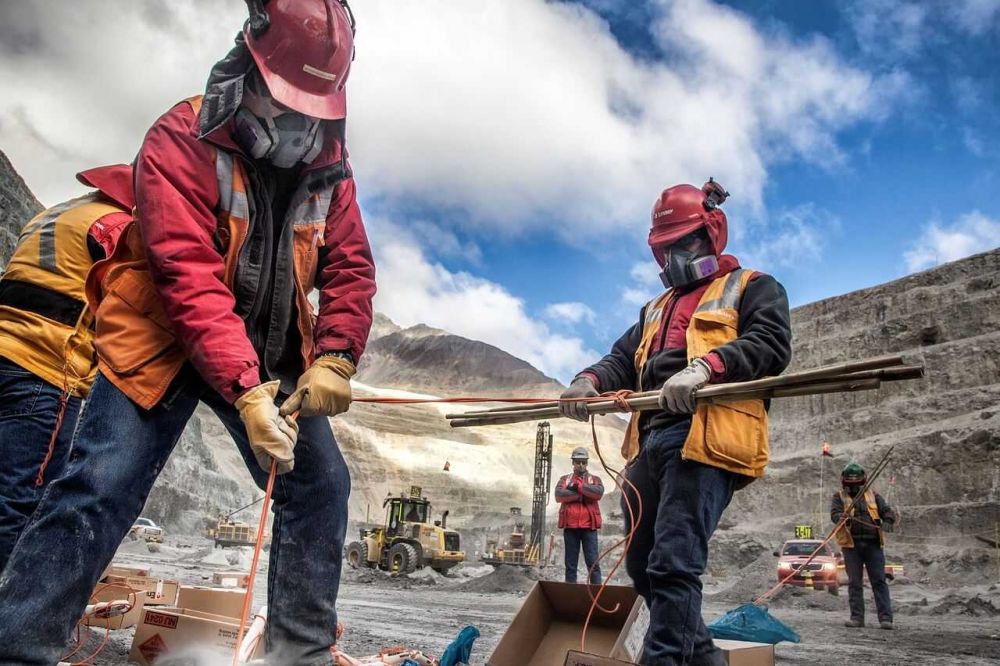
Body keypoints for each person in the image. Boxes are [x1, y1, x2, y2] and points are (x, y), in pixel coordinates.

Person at [0, 1, 375, 662]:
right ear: (249, 68)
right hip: (162, 335)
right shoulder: (182, 136)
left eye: (313, 107)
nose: (298, 123)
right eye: (286, 101)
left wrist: (336, 357)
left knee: (321, 486)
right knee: (99, 485)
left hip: (270, 344)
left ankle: (301, 654)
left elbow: (349, 264)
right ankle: (16, 648)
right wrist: (245, 391)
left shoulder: (331, 167)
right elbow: (186, 273)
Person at [559, 179, 791, 666]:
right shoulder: (656, 309)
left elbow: (771, 344)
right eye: (663, 250)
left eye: (681, 245)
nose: (671, 260)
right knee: (644, 565)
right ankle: (707, 659)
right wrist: (588, 380)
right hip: (652, 439)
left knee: (673, 565)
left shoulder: (752, 287)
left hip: (707, 438)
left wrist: (708, 367)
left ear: (711, 235)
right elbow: (621, 359)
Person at [0, 164, 132, 570]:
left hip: (7, 350)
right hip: (46, 369)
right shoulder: (115, 227)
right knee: (21, 502)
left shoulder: (57, 214)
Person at [831, 462, 896, 630]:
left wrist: (888, 520)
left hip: (873, 544)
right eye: (850, 484)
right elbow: (834, 514)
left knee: (879, 581)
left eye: (856, 484)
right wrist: (841, 516)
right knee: (854, 582)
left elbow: (887, 510)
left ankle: (885, 619)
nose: (853, 488)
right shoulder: (838, 497)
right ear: (844, 483)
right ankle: (857, 618)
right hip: (851, 546)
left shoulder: (873, 495)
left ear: (863, 481)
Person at [554, 446, 605, 584]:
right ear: (573, 463)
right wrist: (582, 495)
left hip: (589, 528)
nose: (581, 464)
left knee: (593, 564)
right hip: (570, 528)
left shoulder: (595, 480)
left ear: (587, 463)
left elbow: (598, 493)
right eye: (578, 462)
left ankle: (596, 596)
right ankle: (570, 596)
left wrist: (579, 488)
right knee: (570, 566)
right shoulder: (564, 479)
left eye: (583, 462)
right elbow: (559, 495)